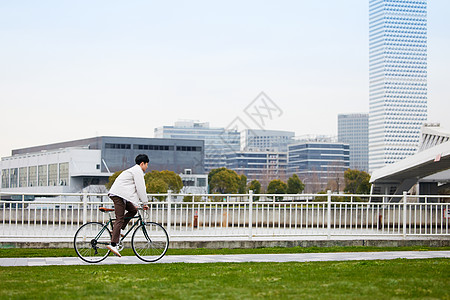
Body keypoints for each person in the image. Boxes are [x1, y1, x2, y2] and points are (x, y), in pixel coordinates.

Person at [107, 154, 150, 257]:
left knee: (133, 210)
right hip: (118, 195)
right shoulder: (137, 171)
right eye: (147, 164)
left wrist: (140, 203)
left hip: (122, 195)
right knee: (119, 219)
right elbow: (141, 188)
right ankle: (113, 244)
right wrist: (145, 203)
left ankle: (118, 230)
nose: (147, 167)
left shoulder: (134, 170)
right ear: (142, 163)